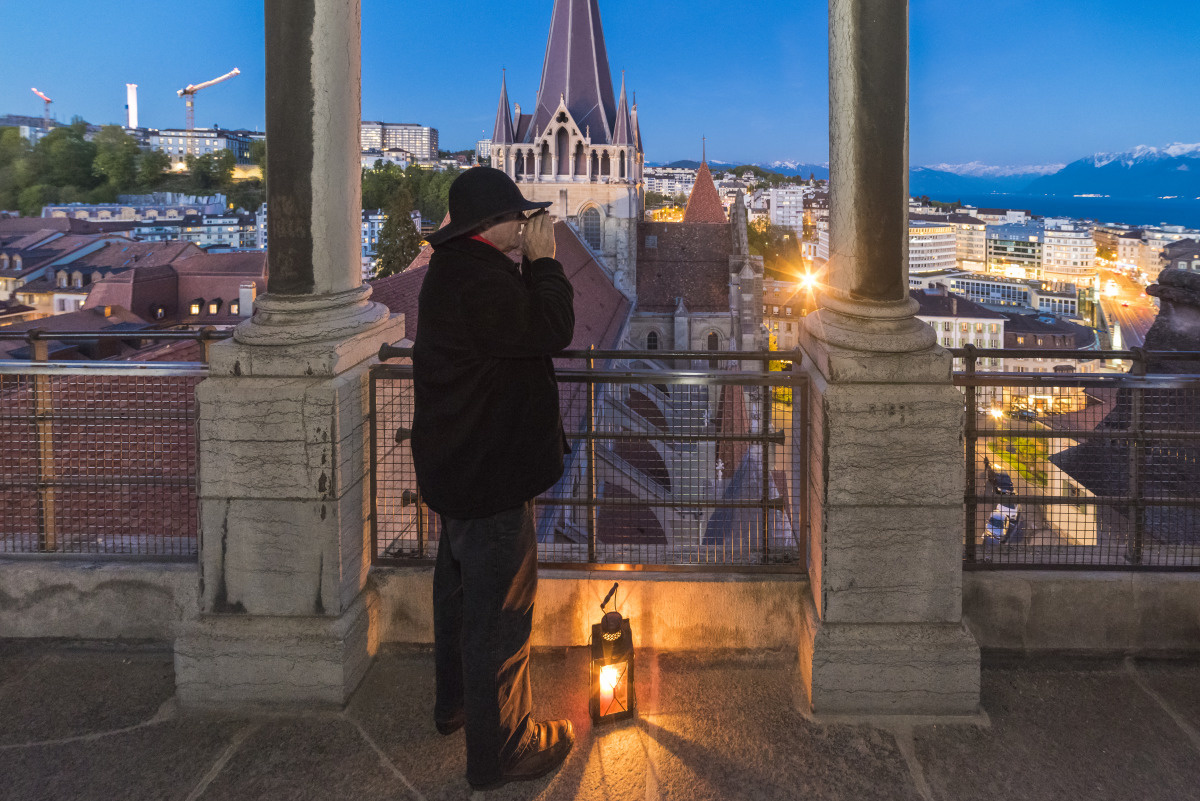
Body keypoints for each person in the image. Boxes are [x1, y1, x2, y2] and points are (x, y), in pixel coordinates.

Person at [411, 167, 576, 791]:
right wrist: (545, 261)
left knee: (457, 602)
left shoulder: (456, 272)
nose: (528, 224)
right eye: (520, 217)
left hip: (459, 469)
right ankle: (502, 749)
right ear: (491, 226)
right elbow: (553, 328)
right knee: (499, 619)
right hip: (490, 477)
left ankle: (455, 707)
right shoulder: (481, 279)